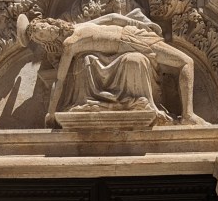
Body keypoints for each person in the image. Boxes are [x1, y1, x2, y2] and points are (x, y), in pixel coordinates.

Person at [18, 14, 207, 128]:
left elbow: (111, 18)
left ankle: (188, 114)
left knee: (186, 61)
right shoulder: (69, 45)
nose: (45, 31)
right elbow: (60, 81)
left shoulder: (78, 26)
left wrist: (138, 23)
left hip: (134, 34)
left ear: (50, 22)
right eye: (41, 35)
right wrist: (51, 112)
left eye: (43, 27)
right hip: (129, 45)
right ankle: (188, 116)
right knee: (185, 61)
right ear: (45, 41)